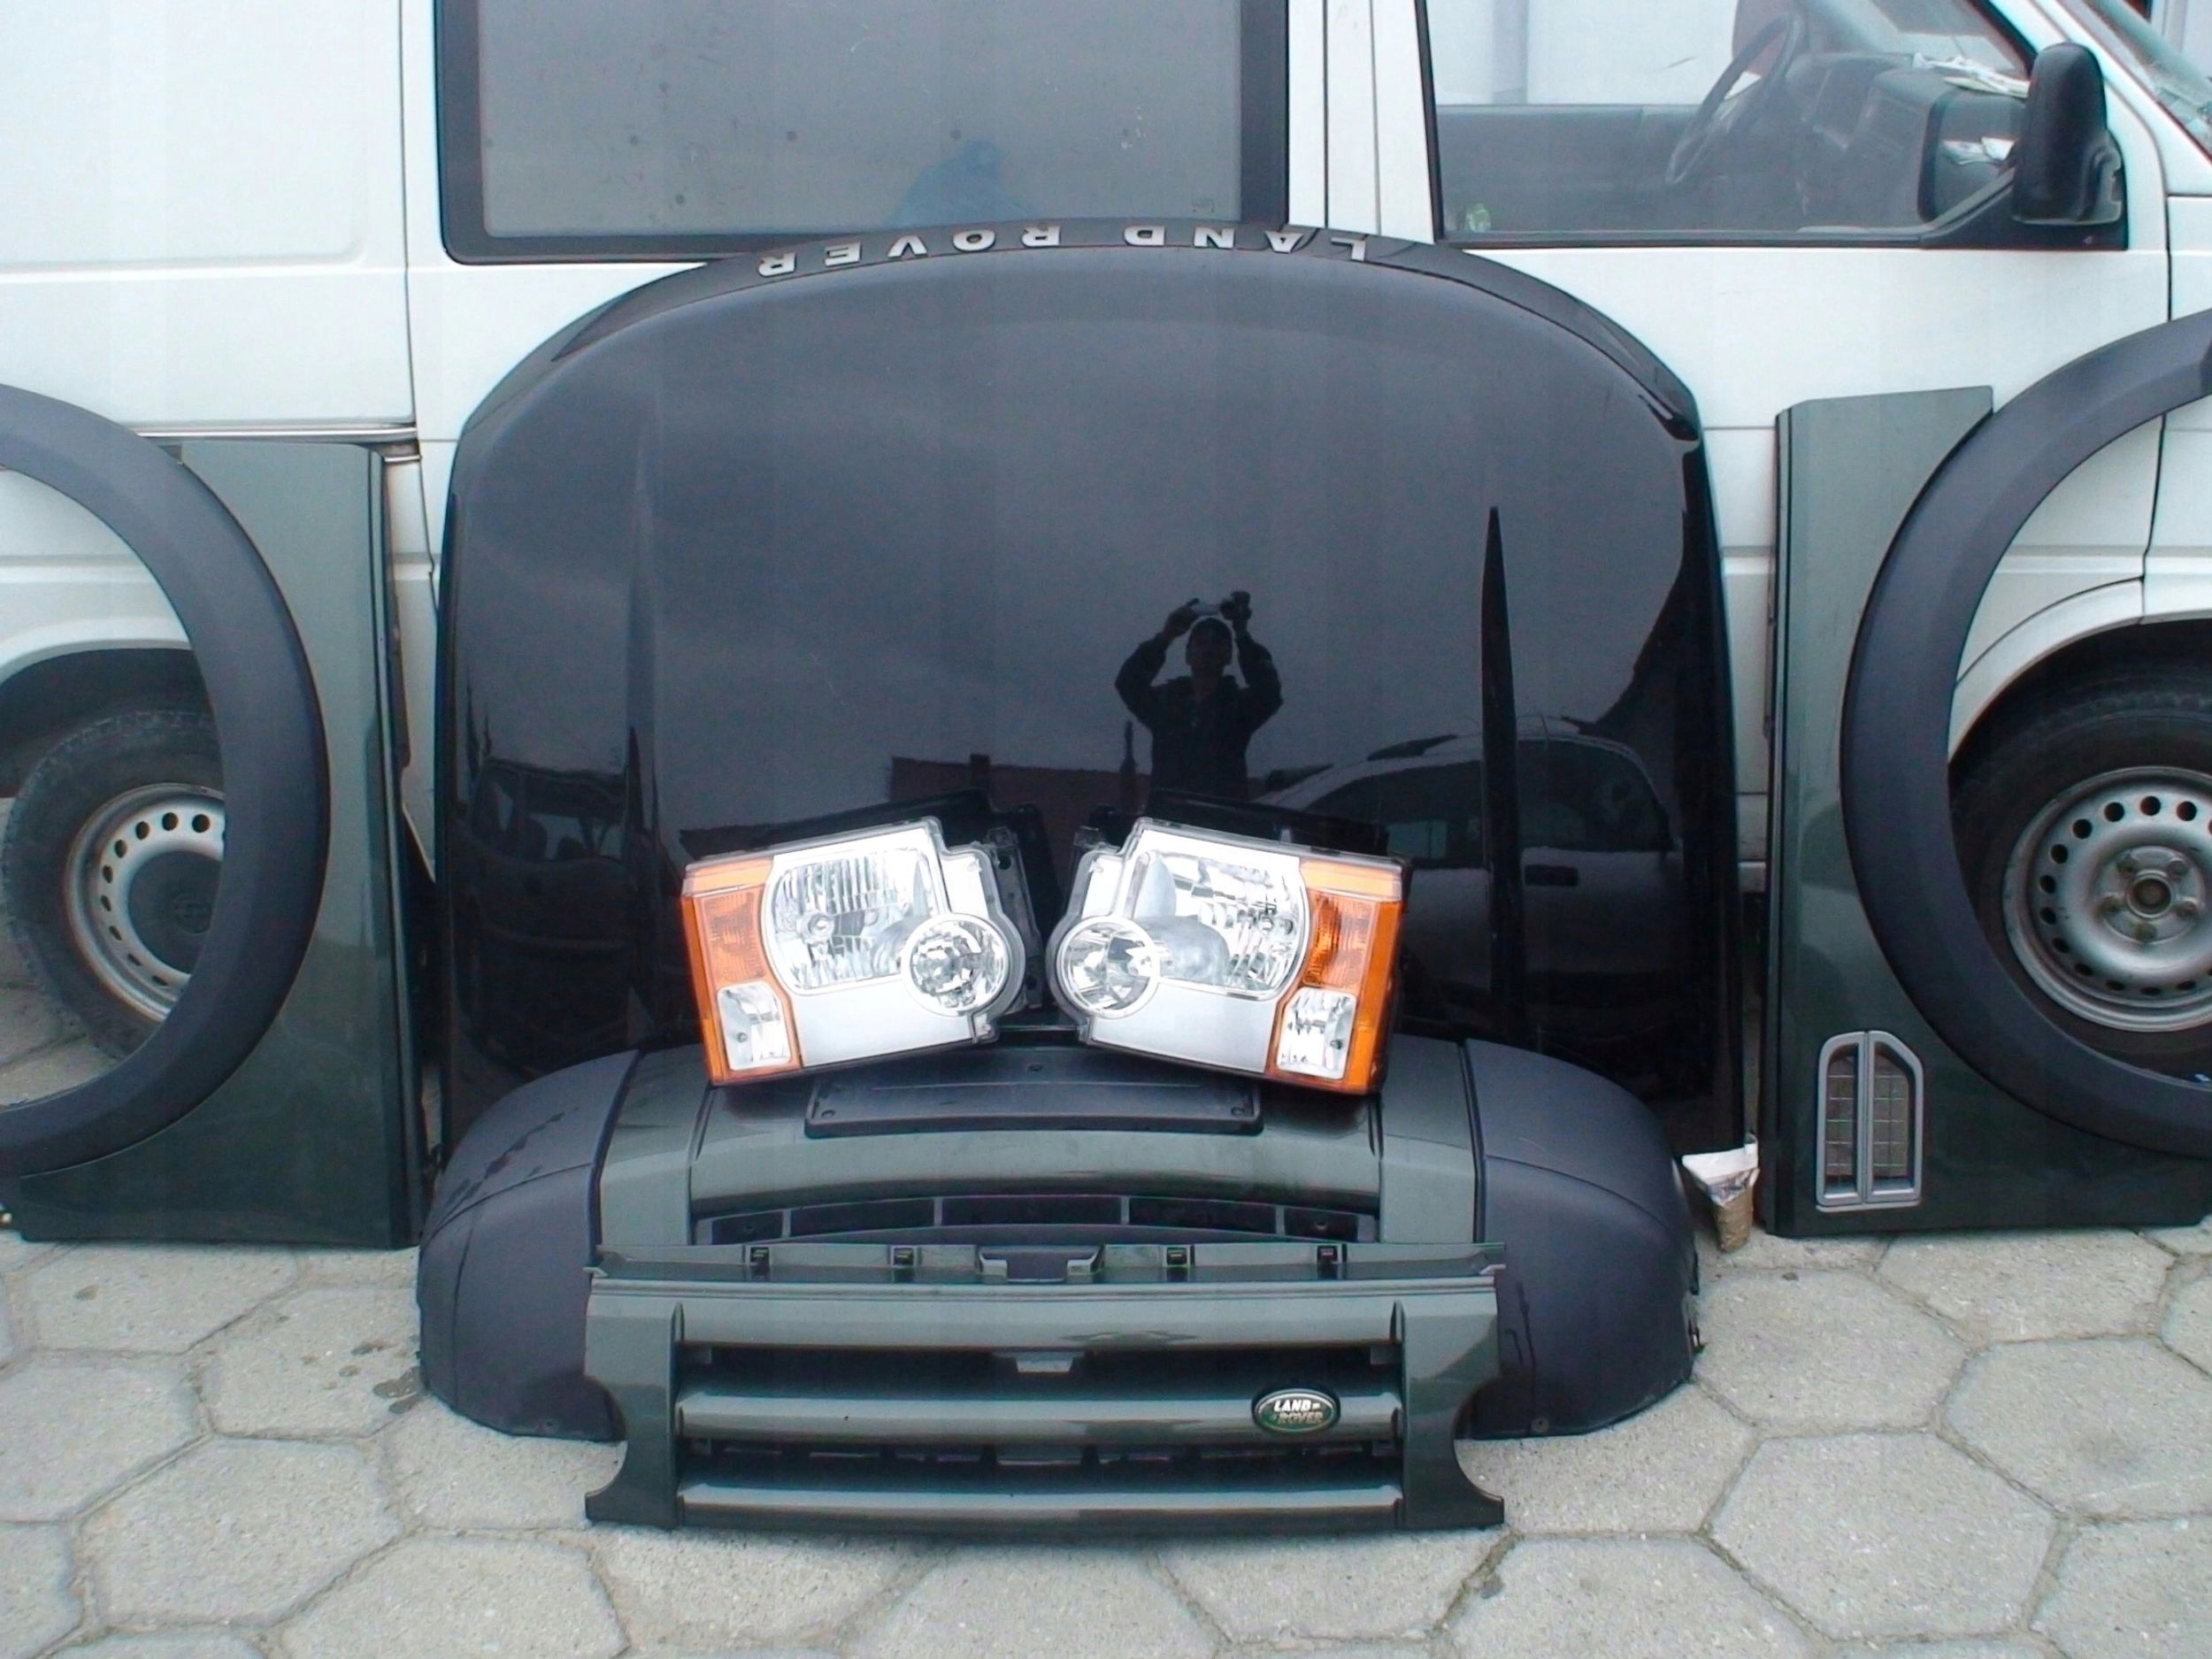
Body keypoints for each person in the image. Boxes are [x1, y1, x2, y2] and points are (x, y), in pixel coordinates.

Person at [1114, 592, 1283, 801]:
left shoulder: (1238, 707)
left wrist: (1242, 633)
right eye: (1201, 643)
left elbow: (1269, 693)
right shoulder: (1166, 703)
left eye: (1217, 643)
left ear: (1229, 655)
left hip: (1222, 816)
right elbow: (1128, 683)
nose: (1208, 650)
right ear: (1187, 654)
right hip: (1170, 815)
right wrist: (1167, 635)